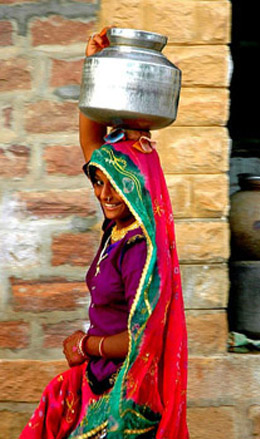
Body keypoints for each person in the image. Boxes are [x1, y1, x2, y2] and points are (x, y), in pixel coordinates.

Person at [20, 28, 189, 439]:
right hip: (97, 381)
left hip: (125, 397)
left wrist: (86, 346)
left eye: (115, 183)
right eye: (98, 181)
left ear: (139, 185)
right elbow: (91, 143)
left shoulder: (139, 252)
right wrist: (90, 66)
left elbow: (141, 340)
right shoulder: (117, 228)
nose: (104, 194)